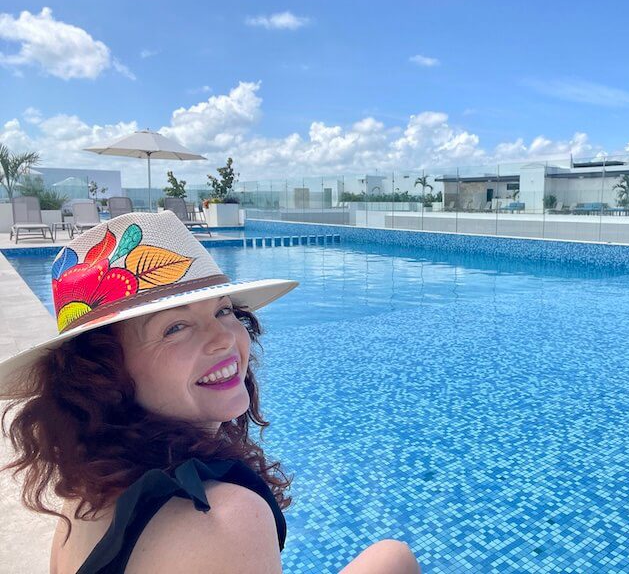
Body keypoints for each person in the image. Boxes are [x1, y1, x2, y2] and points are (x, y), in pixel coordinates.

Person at [0, 211, 419, 574]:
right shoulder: (224, 517)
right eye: (175, 328)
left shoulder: (81, 501)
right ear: (105, 374)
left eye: (223, 310)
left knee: (390, 558)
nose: (224, 338)